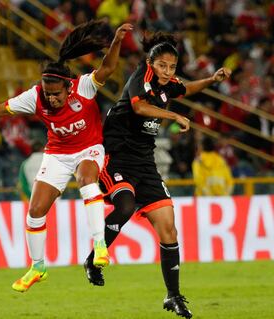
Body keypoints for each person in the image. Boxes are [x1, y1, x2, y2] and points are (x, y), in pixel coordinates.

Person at [0, 20, 133, 292]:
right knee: (35, 212)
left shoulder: (84, 87)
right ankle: (38, 267)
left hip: (88, 147)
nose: (51, 99)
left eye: (56, 95)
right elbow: (0, 109)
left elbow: (108, 68)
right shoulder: (35, 96)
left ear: (68, 88)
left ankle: (100, 245)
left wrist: (116, 41)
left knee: (87, 180)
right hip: (57, 153)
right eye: (48, 94)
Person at [83, 31, 231, 318]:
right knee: (124, 205)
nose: (167, 72)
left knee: (168, 228)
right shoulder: (142, 75)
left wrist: (212, 80)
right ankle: (93, 259)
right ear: (152, 62)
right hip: (118, 155)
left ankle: (173, 295)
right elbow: (138, 106)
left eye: (172, 67)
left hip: (145, 163)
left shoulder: (169, 84)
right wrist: (174, 116)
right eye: (162, 65)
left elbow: (186, 89)